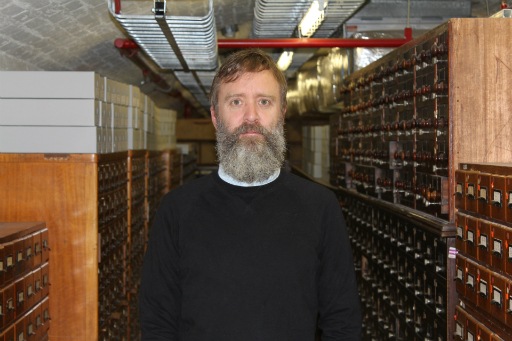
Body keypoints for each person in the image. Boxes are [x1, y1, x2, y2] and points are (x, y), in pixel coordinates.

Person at [139, 49, 362, 341]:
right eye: (236, 102)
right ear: (216, 117)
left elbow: (343, 321)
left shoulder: (320, 207)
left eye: (264, 102)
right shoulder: (177, 210)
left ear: (281, 114)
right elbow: (157, 324)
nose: (251, 117)